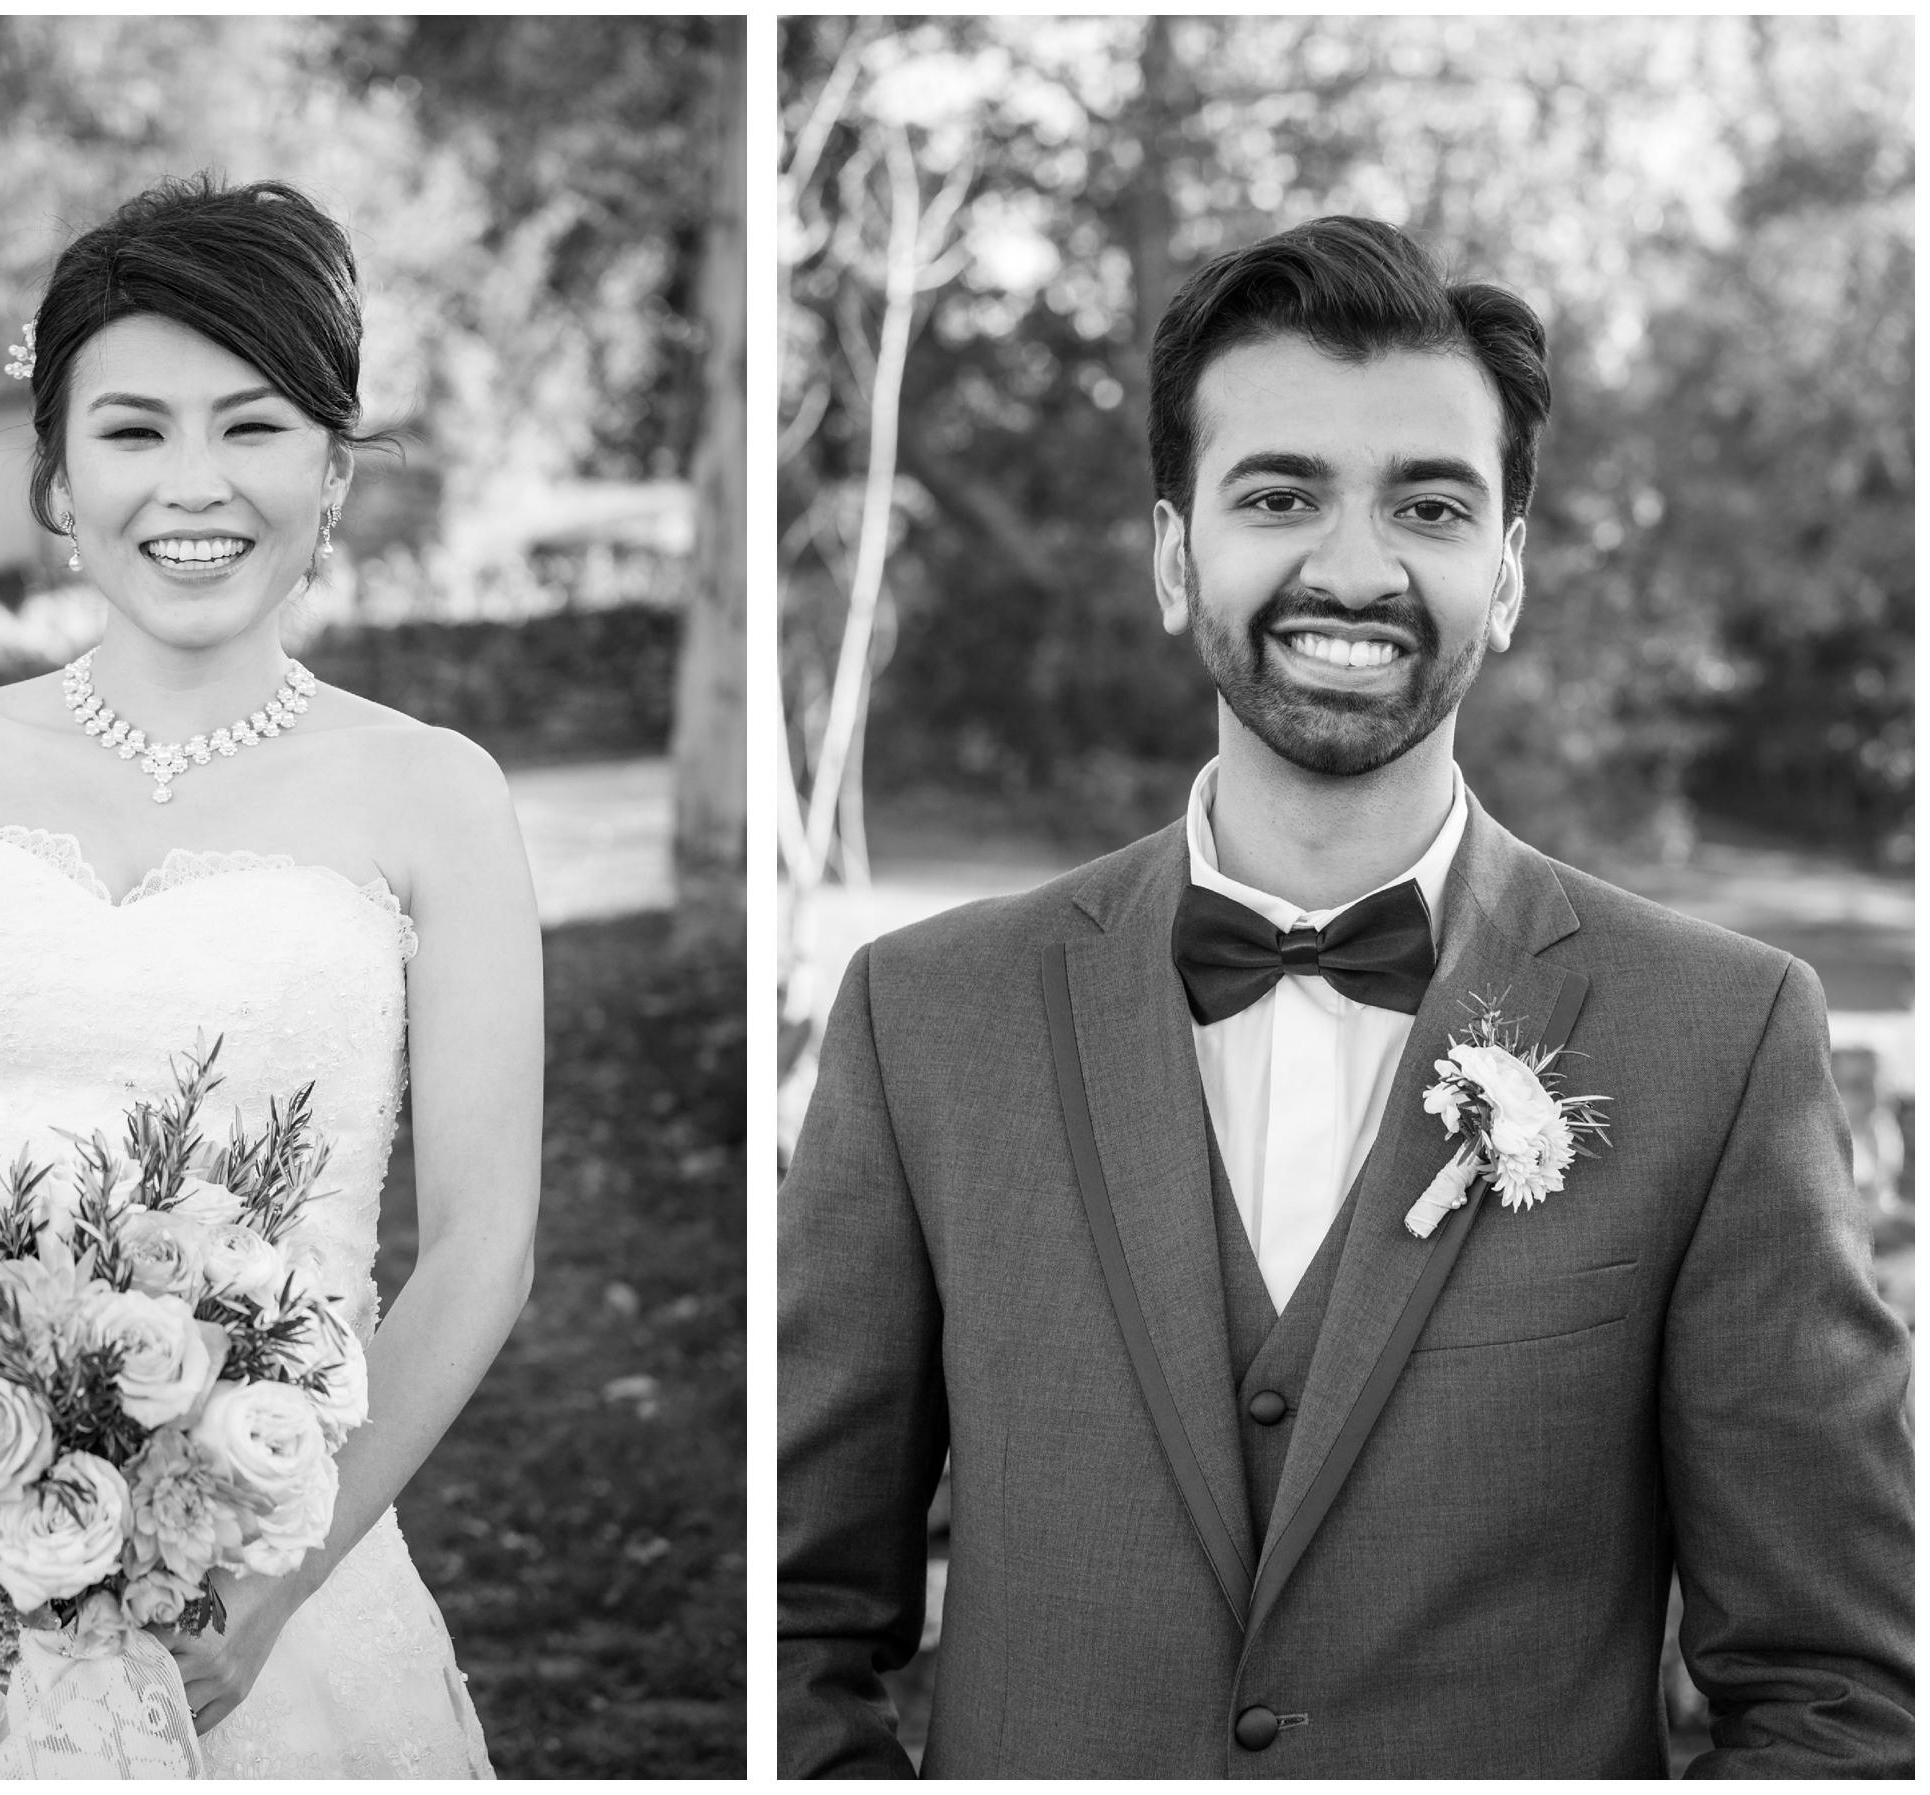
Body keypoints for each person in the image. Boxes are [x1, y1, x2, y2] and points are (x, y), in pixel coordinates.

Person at [778, 215, 1912, 1776]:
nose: (1355, 567)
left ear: (1503, 578)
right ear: (1179, 559)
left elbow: (1836, 1692)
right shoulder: (926, 1020)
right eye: (1281, 494)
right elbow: (788, 1618)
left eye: (1429, 506)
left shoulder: (1720, 1043)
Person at [0, 176, 541, 1777]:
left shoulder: (438, 793)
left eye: (255, 426)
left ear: (336, 473)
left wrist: (273, 1578)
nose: (195, 486)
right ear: (56, 478)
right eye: (135, 430)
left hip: (280, 1554)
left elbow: (485, 1242)